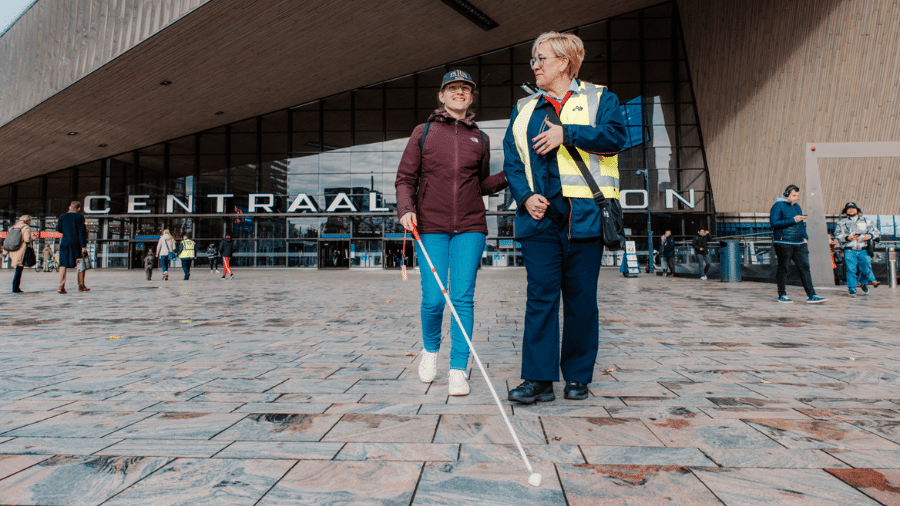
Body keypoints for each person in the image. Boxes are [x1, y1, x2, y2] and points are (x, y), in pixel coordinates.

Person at [502, 32, 627, 404]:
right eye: (533, 60)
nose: (535, 66)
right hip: (539, 219)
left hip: (584, 216)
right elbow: (512, 161)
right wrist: (525, 197)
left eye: (541, 59)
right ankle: (538, 379)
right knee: (540, 297)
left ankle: (577, 376)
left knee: (581, 300)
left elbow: (616, 136)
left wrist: (566, 134)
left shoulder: (600, 98)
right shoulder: (525, 108)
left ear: (564, 63)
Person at [395, 69, 507, 396]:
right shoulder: (424, 132)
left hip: (470, 226)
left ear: (470, 97)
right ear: (442, 96)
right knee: (433, 298)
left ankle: (458, 368)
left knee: (462, 298)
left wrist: (509, 176)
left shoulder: (481, 138)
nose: (460, 92)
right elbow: (405, 178)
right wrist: (406, 209)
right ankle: (430, 350)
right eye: (453, 88)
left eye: (465, 89)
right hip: (430, 224)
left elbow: (481, 184)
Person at [769, 184, 826, 303]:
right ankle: (782, 295)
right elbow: (774, 223)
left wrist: (805, 237)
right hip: (783, 242)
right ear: (786, 194)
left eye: (797, 196)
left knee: (805, 267)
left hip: (799, 243)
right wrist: (794, 220)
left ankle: (811, 295)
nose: (796, 197)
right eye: (794, 195)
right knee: (783, 268)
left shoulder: (797, 206)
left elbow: (800, 224)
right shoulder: (777, 206)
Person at [834, 202, 880, 297]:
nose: (851, 210)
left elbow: (876, 231)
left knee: (865, 268)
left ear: (857, 210)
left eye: (853, 208)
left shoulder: (867, 221)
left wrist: (870, 235)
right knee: (851, 269)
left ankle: (863, 282)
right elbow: (837, 235)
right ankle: (852, 289)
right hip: (850, 249)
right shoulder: (841, 223)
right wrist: (847, 237)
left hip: (864, 248)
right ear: (846, 211)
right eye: (849, 208)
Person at [56, 201, 88, 294]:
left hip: (65, 243)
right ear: (78, 209)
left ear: (69, 207)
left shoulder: (62, 216)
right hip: (76, 243)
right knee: (81, 264)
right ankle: (81, 286)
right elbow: (82, 232)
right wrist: (83, 246)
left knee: (63, 265)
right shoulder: (80, 217)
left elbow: (59, 229)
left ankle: (61, 286)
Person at [3, 214, 33, 293]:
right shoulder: (26, 228)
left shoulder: (12, 227)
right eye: (30, 221)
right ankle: (15, 288)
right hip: (20, 250)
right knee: (19, 270)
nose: (30, 222)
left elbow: (8, 240)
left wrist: (5, 251)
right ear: (27, 221)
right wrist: (33, 238)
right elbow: (27, 240)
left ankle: (15, 287)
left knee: (18, 269)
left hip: (13, 250)